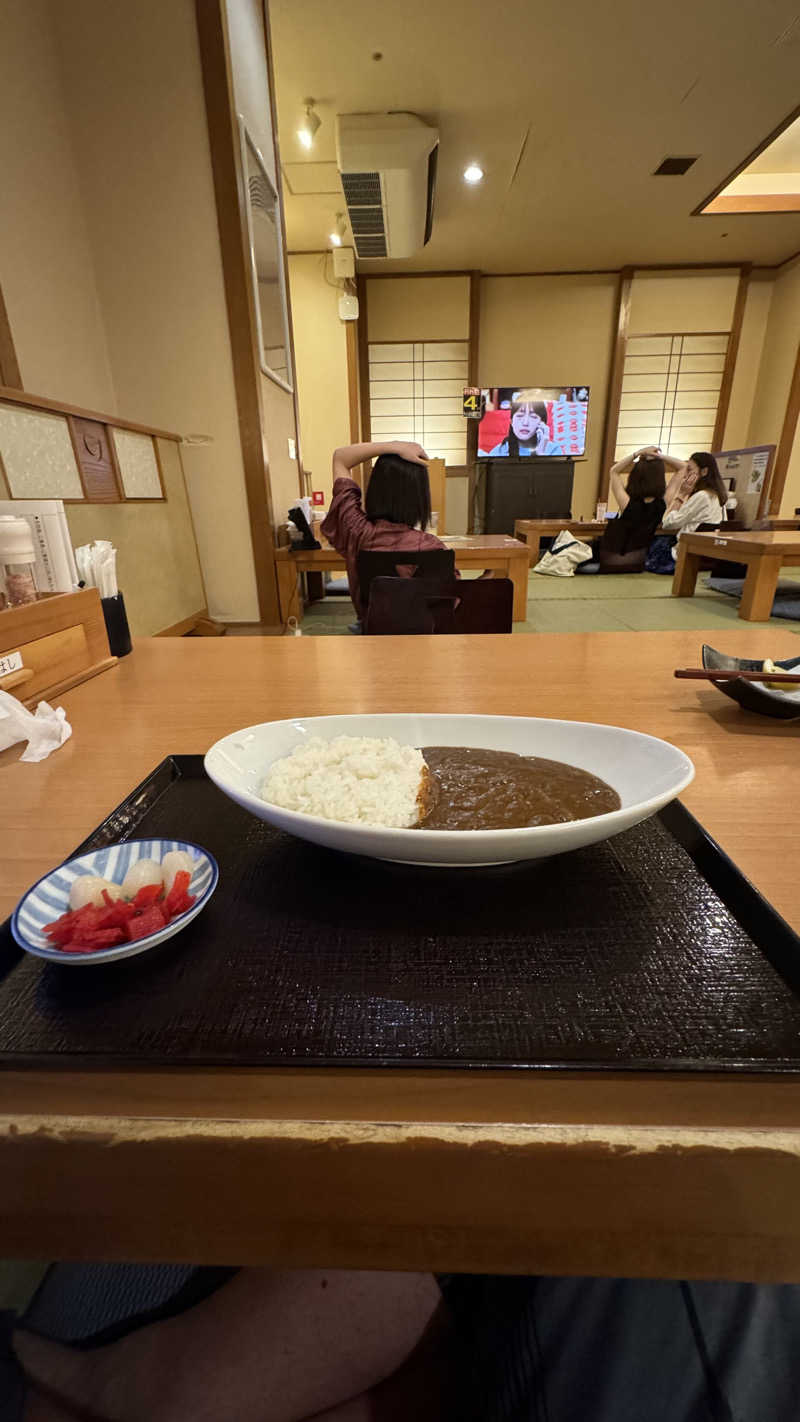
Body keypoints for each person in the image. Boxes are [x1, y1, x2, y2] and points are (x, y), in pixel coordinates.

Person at [321, 441, 447, 627]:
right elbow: (449, 603)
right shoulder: (433, 547)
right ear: (420, 496)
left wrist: (394, 446)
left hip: (371, 638)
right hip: (422, 645)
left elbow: (340, 458)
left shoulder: (356, 530)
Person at [575, 447, 666, 574]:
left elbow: (614, 471)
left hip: (608, 562)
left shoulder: (628, 503)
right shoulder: (662, 503)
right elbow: (682, 468)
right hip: (636, 565)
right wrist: (660, 457)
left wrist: (638, 453)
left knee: (571, 557)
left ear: (636, 476)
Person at [661, 451, 729, 542]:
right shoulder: (719, 496)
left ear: (704, 471)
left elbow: (668, 524)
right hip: (703, 548)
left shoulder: (702, 496)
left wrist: (681, 494)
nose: (685, 475)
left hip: (685, 550)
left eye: (689, 470)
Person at [481, 392, 564, 457]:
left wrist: (540, 454)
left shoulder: (554, 450)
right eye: (520, 415)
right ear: (511, 421)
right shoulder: (499, 451)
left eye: (533, 416)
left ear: (542, 424)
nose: (525, 423)